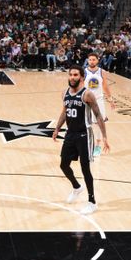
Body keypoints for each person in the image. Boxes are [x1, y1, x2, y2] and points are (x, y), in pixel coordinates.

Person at [52, 65, 109, 215]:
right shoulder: (64, 93)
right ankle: (77, 187)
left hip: (84, 135)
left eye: (75, 75)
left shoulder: (87, 94)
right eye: (70, 74)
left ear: (82, 77)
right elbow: (64, 112)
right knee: (63, 165)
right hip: (70, 134)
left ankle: (92, 202)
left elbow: (98, 115)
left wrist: (104, 137)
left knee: (85, 168)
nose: (72, 77)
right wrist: (57, 128)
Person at [83, 53, 116, 157]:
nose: (92, 61)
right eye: (90, 60)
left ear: (97, 60)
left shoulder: (102, 72)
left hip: (99, 100)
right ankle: (86, 144)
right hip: (87, 101)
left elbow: (105, 86)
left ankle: (97, 145)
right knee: (88, 124)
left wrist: (110, 99)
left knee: (98, 123)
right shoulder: (84, 72)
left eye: (93, 59)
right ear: (88, 61)